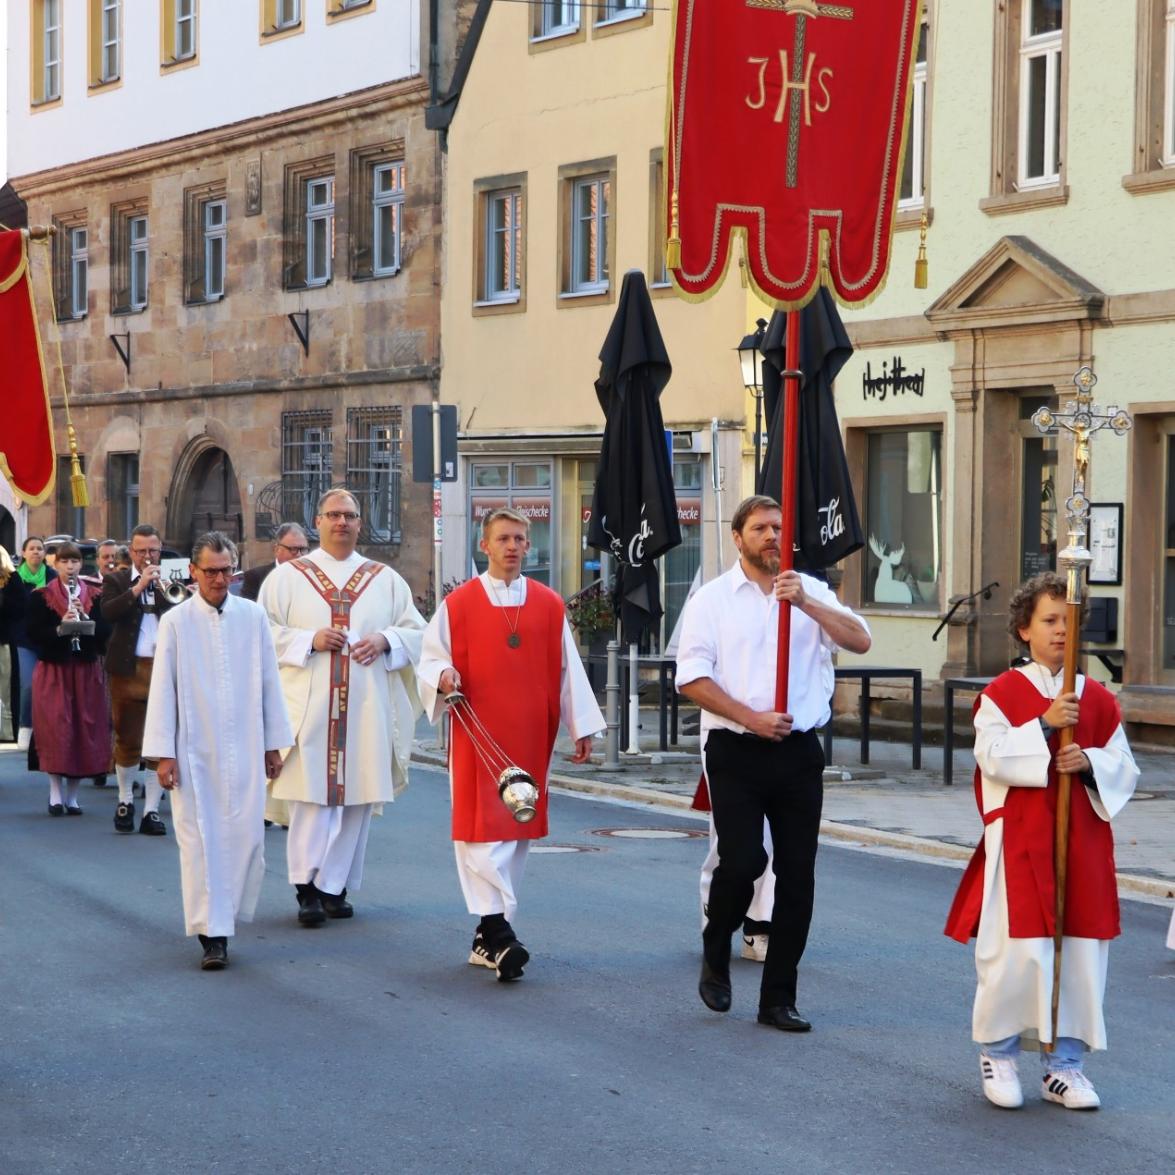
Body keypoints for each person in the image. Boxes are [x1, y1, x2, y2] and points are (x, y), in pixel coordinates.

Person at [676, 495, 871, 1032]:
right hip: (736, 748)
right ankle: (716, 947)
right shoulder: (713, 600)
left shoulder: (811, 591)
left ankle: (777, 997)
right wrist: (749, 717)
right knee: (741, 862)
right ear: (738, 538)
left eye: (778, 527)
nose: (771, 535)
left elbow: (859, 639)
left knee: (797, 875)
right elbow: (691, 677)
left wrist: (807, 602)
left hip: (799, 751)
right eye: (759, 527)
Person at [945, 572, 1139, 1111]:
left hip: (1082, 842)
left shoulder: (1098, 698)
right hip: (1023, 842)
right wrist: (1047, 726)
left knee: (1080, 954)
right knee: (1018, 953)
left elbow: (1125, 767)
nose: (1060, 631)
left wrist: (1091, 762)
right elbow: (992, 756)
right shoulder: (1003, 694)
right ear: (1024, 629)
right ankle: (1000, 1053)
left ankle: (1065, 1066)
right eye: (1049, 621)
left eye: (1069, 621)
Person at [418, 508, 604, 981]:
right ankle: (499, 932)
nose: (513, 546)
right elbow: (430, 658)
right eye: (503, 538)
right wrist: (441, 675)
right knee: (481, 831)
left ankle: (490, 936)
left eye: (521, 538)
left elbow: (568, 669)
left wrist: (580, 726)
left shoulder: (547, 603)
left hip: (529, 733)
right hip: (478, 734)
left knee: (516, 829)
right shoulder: (458, 605)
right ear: (485, 545)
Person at [259, 487, 424, 926]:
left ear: (359, 523)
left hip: (364, 711)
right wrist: (307, 639)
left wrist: (386, 639)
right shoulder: (288, 577)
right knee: (311, 799)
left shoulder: (385, 579)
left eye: (350, 515)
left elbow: (418, 632)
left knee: (356, 800)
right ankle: (305, 888)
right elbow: (260, 634)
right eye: (333, 514)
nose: (342, 522)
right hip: (308, 708)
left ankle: (336, 887)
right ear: (317, 521)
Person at [143, 532, 293, 971]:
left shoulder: (253, 617)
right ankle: (213, 934)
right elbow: (163, 690)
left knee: (246, 838)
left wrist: (273, 744)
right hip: (193, 749)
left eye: (227, 570)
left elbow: (270, 681)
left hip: (245, 745)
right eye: (211, 571)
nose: (220, 579)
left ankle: (226, 919)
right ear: (193, 571)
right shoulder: (176, 622)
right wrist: (163, 754)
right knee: (200, 840)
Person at [101, 523, 180, 835]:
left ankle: (151, 810)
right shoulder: (116, 579)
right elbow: (108, 613)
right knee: (127, 738)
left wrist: (162, 587)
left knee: (159, 740)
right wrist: (137, 587)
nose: (148, 556)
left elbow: (183, 609)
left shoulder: (172, 578)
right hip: (128, 668)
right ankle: (125, 800)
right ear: (131, 552)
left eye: (153, 550)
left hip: (162, 669)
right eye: (142, 551)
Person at [24, 542, 112, 816]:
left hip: (85, 668)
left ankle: (72, 797)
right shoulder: (42, 596)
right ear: (56, 564)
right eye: (65, 562)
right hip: (55, 669)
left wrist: (86, 620)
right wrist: (61, 626)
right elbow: (33, 632)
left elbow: (105, 633)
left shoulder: (94, 595)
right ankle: (54, 793)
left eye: (74, 562)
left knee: (83, 728)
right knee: (56, 728)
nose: (70, 567)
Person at [14, 536, 56, 750]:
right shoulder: (14, 578)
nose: (36, 552)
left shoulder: (52, 576)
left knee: (51, 686)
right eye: (32, 549)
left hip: (48, 637)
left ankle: (47, 730)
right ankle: (25, 726)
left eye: (40, 549)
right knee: (29, 684)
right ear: (23, 553)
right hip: (23, 638)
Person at [241, 523, 310, 602]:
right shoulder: (255, 577)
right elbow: (249, 611)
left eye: (303, 549)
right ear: (276, 550)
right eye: (293, 549)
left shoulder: (313, 577)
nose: (299, 555)